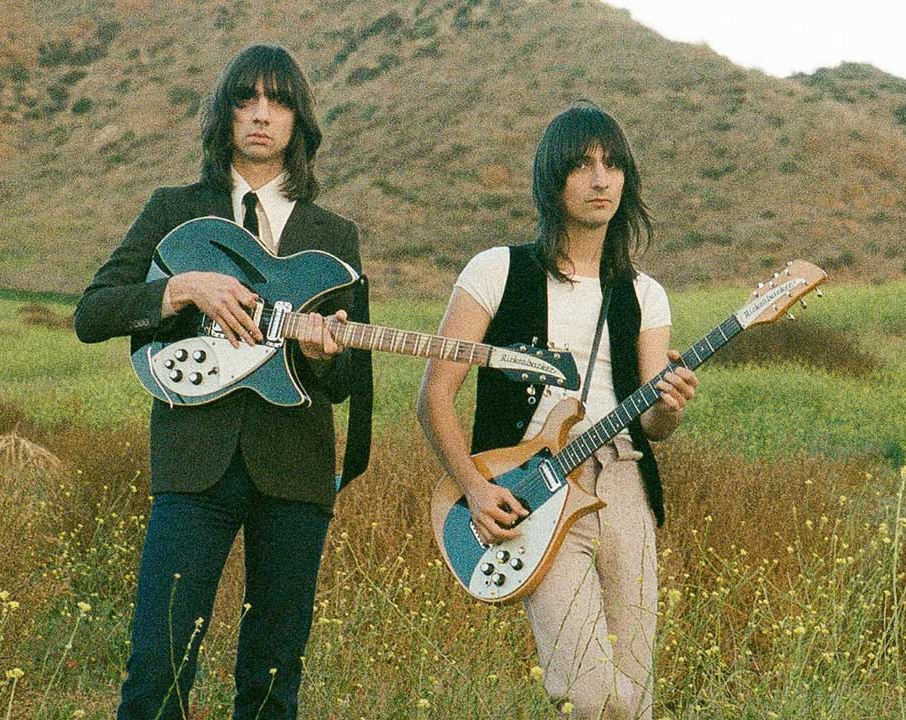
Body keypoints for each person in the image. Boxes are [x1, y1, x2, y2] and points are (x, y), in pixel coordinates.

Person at [74, 44, 363, 720]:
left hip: (294, 471)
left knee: (270, 682)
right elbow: (93, 312)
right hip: (193, 467)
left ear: (299, 120)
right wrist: (179, 288)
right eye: (246, 99)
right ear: (225, 114)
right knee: (156, 671)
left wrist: (324, 357)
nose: (262, 114)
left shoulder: (334, 236)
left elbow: (351, 377)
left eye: (279, 100)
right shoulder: (173, 209)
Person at [416, 101, 698, 720]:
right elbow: (435, 393)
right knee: (593, 693)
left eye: (612, 164)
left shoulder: (643, 294)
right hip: (535, 489)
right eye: (582, 165)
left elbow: (653, 421)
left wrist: (671, 407)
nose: (601, 179)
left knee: (636, 692)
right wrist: (473, 487)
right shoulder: (496, 270)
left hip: (624, 477)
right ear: (552, 180)